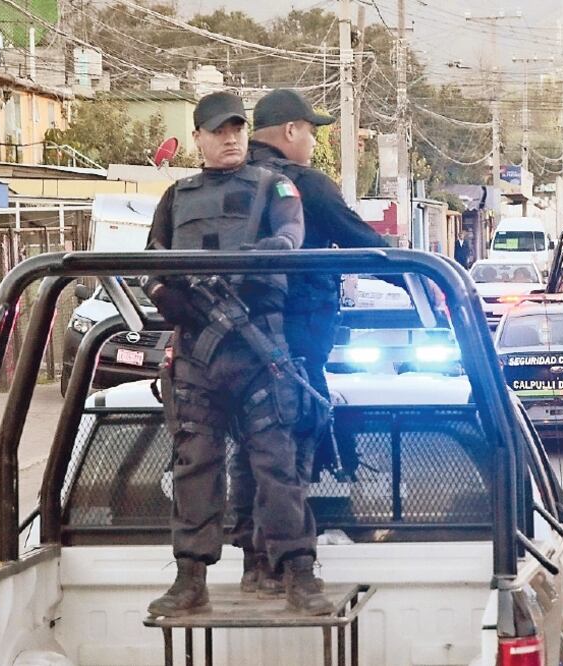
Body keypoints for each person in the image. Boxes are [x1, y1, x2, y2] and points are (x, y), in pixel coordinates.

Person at [142, 91, 333, 617]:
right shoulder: (178, 197)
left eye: (237, 129)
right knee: (194, 466)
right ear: (198, 138)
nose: (230, 139)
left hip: (259, 350)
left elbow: (291, 234)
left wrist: (269, 253)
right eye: (218, 131)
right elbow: (151, 265)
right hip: (197, 355)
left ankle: (298, 572)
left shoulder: (276, 186)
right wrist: (171, 300)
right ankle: (190, 580)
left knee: (278, 466)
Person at [231, 88, 394, 597]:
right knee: (289, 456)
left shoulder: (219, 186)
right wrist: (426, 276)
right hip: (294, 347)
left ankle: (253, 562)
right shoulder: (304, 186)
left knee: (246, 453)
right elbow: (368, 245)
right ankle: (287, 564)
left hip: (230, 350)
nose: (314, 142)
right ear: (290, 132)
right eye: (312, 131)